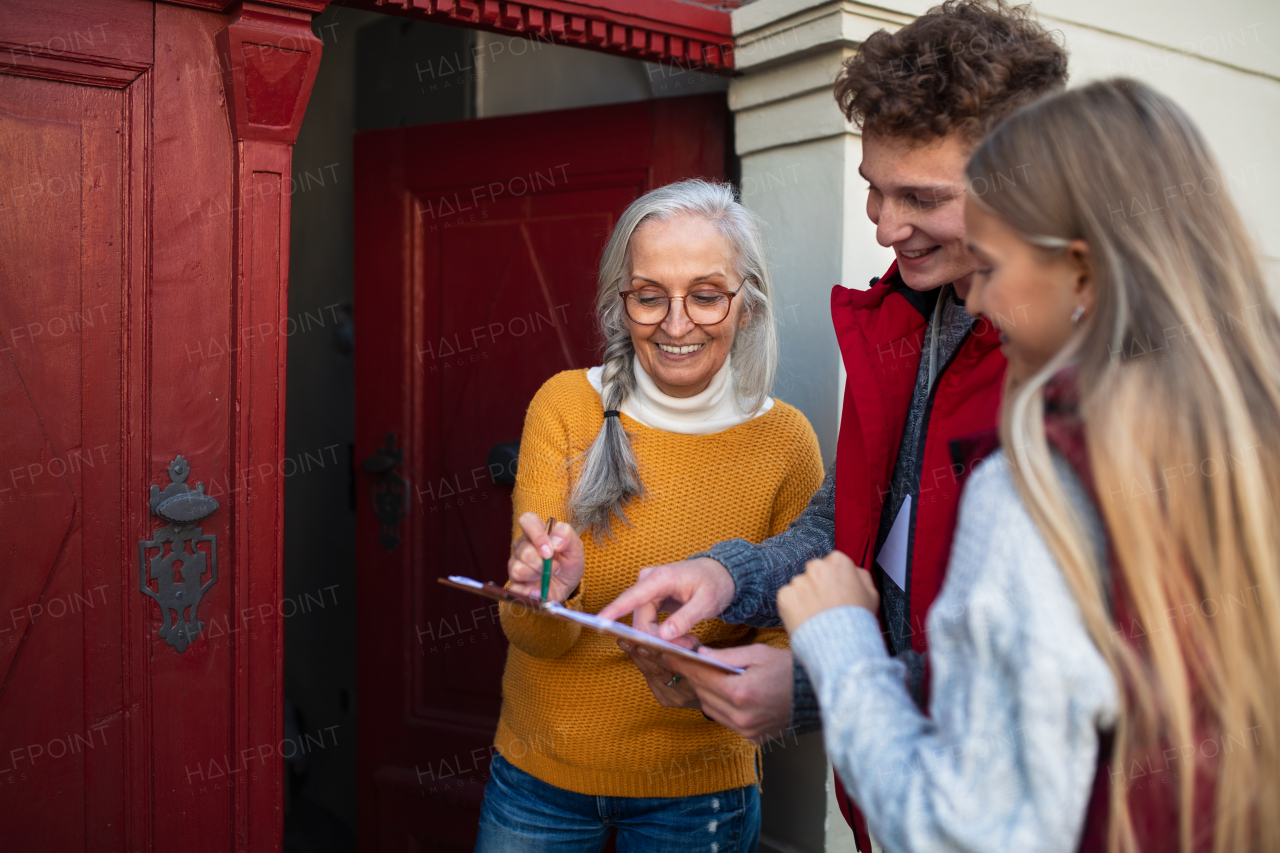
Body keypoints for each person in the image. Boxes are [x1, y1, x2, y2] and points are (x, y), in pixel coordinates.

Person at [600, 2, 1067, 845]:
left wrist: (818, 684)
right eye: (873, 191)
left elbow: (1062, 670)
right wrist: (725, 575)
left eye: (921, 197)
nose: (886, 228)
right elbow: (859, 518)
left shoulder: (1076, 361)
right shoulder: (909, 313)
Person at [778, 77, 1280, 852]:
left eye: (992, 262)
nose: (975, 296)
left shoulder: (1034, 487)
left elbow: (963, 829)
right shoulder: (1243, 441)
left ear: (1080, 272)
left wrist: (840, 646)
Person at [474, 179, 824, 853]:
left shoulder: (787, 442)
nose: (675, 322)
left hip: (699, 793)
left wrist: (710, 677)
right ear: (621, 304)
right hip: (540, 775)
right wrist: (552, 590)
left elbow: (791, 633)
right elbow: (533, 634)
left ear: (746, 305)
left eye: (705, 293)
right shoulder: (564, 408)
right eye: (649, 295)